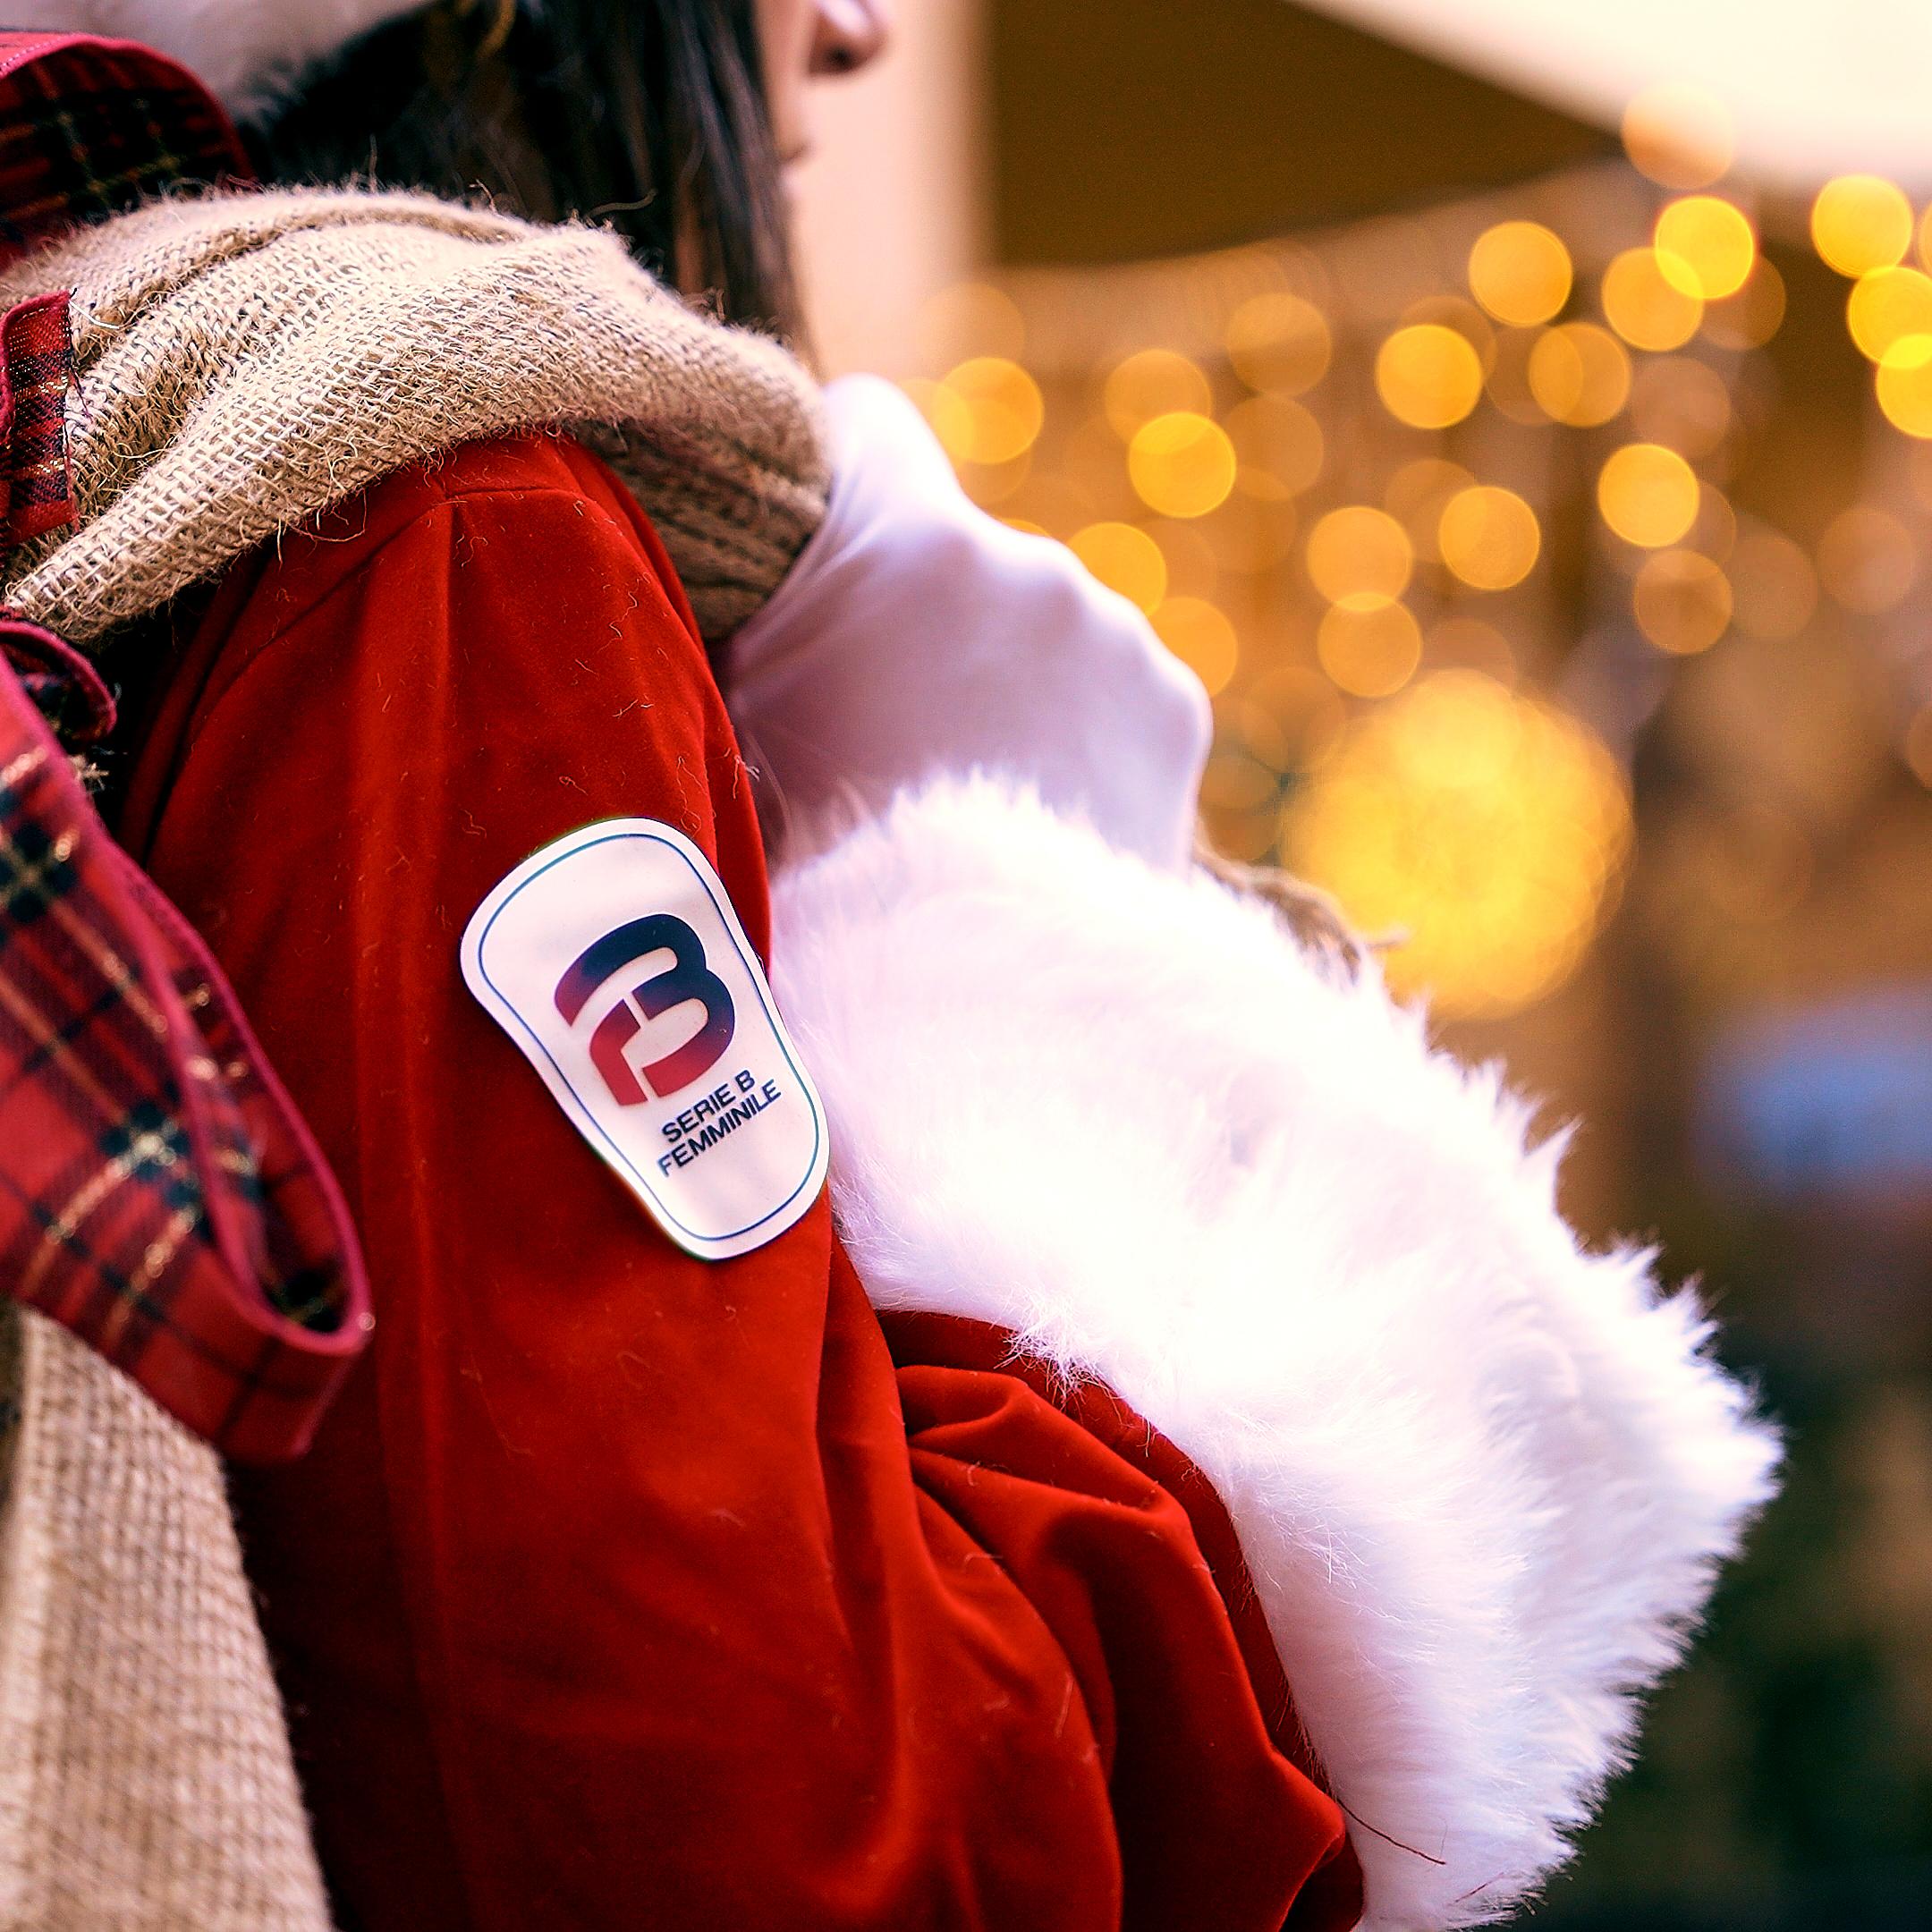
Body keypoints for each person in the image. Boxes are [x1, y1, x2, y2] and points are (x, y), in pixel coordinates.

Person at [0, 6, 1778, 1932]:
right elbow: (797, 1861)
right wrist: (1056, 994)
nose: (850, 30)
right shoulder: (447, 530)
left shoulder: (87, 409)